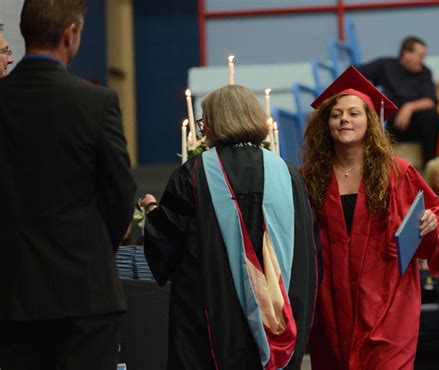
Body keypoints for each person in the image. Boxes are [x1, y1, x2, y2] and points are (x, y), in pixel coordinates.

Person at [140, 84, 321, 370]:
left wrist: (152, 212)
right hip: (279, 317)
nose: (203, 129)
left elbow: (167, 244)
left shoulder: (193, 174)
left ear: (215, 123)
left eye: (205, 121)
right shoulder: (288, 175)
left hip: (210, 323)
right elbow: (308, 254)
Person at [0, 1, 136, 369]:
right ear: (70, 34)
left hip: (13, 295)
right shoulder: (96, 102)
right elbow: (121, 193)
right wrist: (96, 249)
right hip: (86, 296)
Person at [302, 66, 439, 370]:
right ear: (326, 123)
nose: (344, 119)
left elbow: (432, 227)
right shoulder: (309, 178)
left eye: (354, 113)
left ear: (370, 122)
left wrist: (430, 226)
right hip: (331, 308)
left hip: (388, 304)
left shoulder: (397, 172)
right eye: (336, 114)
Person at [358, 36, 439, 165]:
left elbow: (430, 101)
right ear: (406, 54)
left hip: (416, 123)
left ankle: (430, 166)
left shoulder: (425, 72)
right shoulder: (385, 65)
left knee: (431, 116)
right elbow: (356, 74)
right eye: (420, 56)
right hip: (390, 122)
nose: (422, 60)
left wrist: (409, 107)